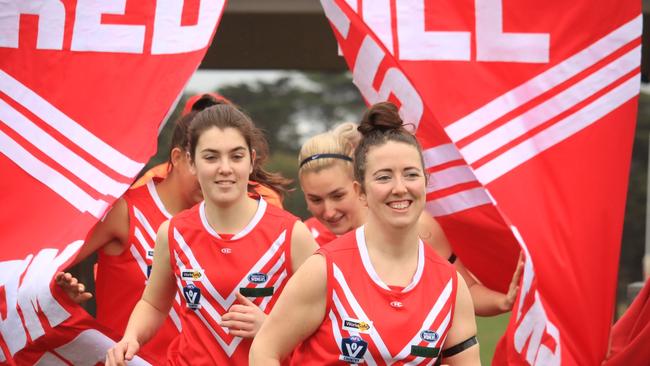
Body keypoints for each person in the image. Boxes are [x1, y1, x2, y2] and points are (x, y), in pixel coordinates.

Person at [250, 101, 480, 365]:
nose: (400, 188)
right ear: (360, 191)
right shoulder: (324, 270)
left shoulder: (451, 286)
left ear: (426, 182)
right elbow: (264, 349)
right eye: (383, 177)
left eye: (411, 174)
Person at [106, 103, 318, 365]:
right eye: (211, 157)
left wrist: (272, 328)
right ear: (191, 162)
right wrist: (131, 337)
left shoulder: (292, 234)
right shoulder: (172, 232)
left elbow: (326, 323)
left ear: (252, 161)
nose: (225, 168)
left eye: (236, 156)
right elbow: (154, 305)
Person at [298, 122, 522, 316]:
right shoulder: (304, 240)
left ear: (359, 186)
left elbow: (464, 290)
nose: (328, 211)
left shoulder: (416, 228)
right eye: (315, 200)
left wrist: (505, 301)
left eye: (338, 196)